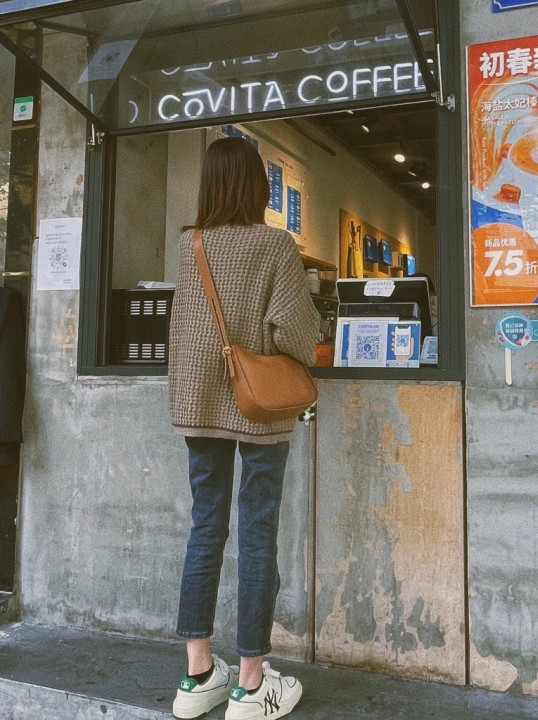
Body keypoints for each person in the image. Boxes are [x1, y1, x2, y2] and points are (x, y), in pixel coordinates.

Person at [168, 136, 319, 720]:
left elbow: (184, 330)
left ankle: (198, 674)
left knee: (205, 528)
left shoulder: (191, 245)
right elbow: (295, 333)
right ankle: (252, 685)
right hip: (260, 406)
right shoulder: (275, 244)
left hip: (200, 404)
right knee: (257, 533)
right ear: (259, 186)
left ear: (208, 186)